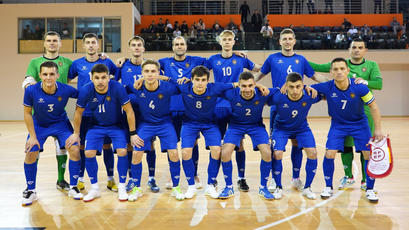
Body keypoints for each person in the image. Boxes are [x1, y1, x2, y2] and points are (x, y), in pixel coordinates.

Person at [255, 28, 328, 192]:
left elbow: (315, 77)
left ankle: (296, 178)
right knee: (276, 148)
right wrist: (247, 85)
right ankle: (275, 179)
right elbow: (259, 75)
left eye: (290, 38)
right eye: (284, 39)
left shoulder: (301, 60)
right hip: (278, 107)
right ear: (279, 41)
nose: (287, 41)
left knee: (297, 143)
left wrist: (332, 85)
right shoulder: (272, 58)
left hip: (297, 106)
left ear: (294, 41)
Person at [309, 39, 383, 191]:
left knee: (366, 150)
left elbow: (379, 85)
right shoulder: (336, 69)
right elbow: (315, 68)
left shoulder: (370, 68)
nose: (357, 50)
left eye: (360, 47)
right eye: (354, 47)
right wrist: (299, 62)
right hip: (341, 119)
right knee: (344, 147)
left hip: (363, 114)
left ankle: (366, 182)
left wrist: (365, 82)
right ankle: (347, 177)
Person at [66, 64, 139, 202]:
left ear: (109, 77)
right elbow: (78, 112)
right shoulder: (86, 89)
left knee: (122, 151)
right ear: (91, 78)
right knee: (88, 153)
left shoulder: (117, 87)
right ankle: (95, 188)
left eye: (104, 77)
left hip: (116, 125)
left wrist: (133, 133)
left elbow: (129, 110)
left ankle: (122, 186)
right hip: (96, 126)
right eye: (97, 78)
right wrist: (76, 133)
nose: (100, 81)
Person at [205, 30, 262, 192]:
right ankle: (213, 179)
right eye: (224, 39)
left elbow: (259, 68)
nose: (227, 42)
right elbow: (199, 70)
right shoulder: (213, 59)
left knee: (239, 143)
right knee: (216, 144)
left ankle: (241, 178)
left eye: (230, 39)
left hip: (238, 104)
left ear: (234, 42)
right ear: (220, 42)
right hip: (218, 105)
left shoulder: (241, 59)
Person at [22, 61, 82, 206]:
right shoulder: (31, 91)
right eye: (45, 74)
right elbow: (27, 113)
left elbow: (84, 97)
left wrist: (76, 132)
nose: (48, 77)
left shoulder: (66, 89)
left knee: (74, 148)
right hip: (39, 125)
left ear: (57, 75)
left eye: (52, 74)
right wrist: (33, 137)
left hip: (60, 124)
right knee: (31, 151)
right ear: (40, 75)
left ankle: (73, 187)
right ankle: (31, 190)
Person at [126, 59, 185, 201]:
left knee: (174, 152)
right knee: (136, 153)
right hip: (146, 124)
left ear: (158, 73)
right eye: (146, 71)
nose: (150, 74)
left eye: (153, 71)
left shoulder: (168, 87)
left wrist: (166, 77)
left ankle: (176, 187)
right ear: (142, 73)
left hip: (165, 123)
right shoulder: (136, 87)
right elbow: (122, 90)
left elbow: (182, 85)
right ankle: (136, 188)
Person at [23, 31, 73, 192]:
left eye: (55, 41)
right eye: (49, 40)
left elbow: (84, 74)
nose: (52, 43)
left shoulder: (67, 62)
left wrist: (102, 57)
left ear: (60, 44)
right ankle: (31, 187)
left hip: (60, 114)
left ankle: (61, 180)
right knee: (33, 148)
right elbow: (28, 80)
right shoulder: (35, 62)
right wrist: (28, 89)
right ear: (44, 43)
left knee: (63, 147)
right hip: (40, 114)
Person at [68, 33, 118, 192]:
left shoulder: (107, 62)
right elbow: (66, 79)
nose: (90, 45)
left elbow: (118, 75)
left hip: (104, 112)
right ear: (83, 46)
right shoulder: (76, 64)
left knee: (107, 145)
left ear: (98, 45)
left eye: (93, 42)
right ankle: (81, 179)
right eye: (87, 42)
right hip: (85, 112)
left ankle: (110, 179)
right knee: (81, 146)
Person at [177, 66, 235, 199]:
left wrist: (259, 86)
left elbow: (236, 84)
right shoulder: (184, 87)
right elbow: (166, 80)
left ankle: (210, 184)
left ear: (208, 81)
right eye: (197, 80)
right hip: (189, 124)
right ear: (191, 80)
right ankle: (191, 186)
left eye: (203, 80)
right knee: (186, 152)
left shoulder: (214, 88)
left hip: (209, 124)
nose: (200, 83)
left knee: (216, 150)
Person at [158, 36, 207, 189]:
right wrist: (124, 58)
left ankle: (194, 174)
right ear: (172, 47)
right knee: (171, 144)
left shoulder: (196, 61)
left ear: (186, 46)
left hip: (189, 108)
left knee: (193, 143)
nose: (179, 46)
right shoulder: (164, 62)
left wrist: (238, 54)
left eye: (182, 44)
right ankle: (174, 177)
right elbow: (145, 65)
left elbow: (219, 59)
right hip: (170, 108)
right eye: (176, 44)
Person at [218, 72, 274, 200]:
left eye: (250, 85)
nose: (247, 89)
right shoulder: (231, 93)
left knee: (267, 152)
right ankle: (228, 187)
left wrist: (306, 88)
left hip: (256, 126)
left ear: (254, 84)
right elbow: (216, 87)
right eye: (243, 86)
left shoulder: (262, 93)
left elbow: (281, 90)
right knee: (225, 152)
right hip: (236, 126)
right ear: (238, 86)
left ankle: (263, 187)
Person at [115, 36, 160, 193]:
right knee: (130, 144)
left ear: (143, 48)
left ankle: (151, 178)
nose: (136, 47)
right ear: (129, 49)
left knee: (150, 145)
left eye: (139, 45)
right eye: (133, 45)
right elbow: (114, 84)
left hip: (147, 111)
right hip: (128, 111)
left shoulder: (149, 66)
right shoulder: (122, 65)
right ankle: (132, 178)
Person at [270, 72, 320, 200]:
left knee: (313, 153)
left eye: (298, 86)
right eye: (291, 87)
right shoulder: (278, 96)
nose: (295, 90)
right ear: (286, 86)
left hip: (301, 128)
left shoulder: (310, 95)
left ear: (303, 86)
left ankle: (306, 187)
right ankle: (278, 186)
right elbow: (257, 92)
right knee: (277, 154)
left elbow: (330, 88)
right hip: (281, 128)